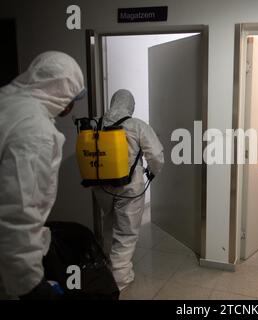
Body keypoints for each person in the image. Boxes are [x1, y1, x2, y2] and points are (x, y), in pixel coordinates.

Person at [0, 51, 85, 298]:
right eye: (73, 98)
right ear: (62, 91)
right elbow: (18, 212)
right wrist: (30, 285)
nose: (71, 106)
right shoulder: (34, 130)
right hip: (9, 265)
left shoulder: (7, 102)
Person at [93, 89, 164, 291]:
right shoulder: (136, 125)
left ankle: (107, 263)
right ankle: (119, 278)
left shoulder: (97, 123)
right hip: (129, 187)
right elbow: (156, 155)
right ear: (130, 105)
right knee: (126, 233)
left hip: (101, 187)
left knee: (109, 222)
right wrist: (152, 172)